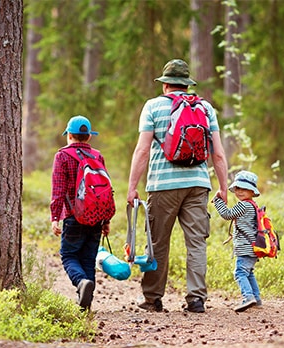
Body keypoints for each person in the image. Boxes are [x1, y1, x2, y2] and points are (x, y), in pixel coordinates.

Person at [125, 59, 231, 313]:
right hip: (198, 184)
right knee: (196, 242)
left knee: (158, 242)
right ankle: (196, 299)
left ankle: (152, 298)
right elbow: (217, 154)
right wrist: (223, 187)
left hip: (163, 185)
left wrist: (132, 187)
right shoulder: (205, 108)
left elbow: (142, 151)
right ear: (186, 84)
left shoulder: (152, 107)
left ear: (165, 86)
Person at [51, 116, 112, 312]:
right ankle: (86, 304)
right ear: (89, 137)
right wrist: (106, 220)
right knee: (88, 258)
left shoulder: (62, 156)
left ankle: (80, 283)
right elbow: (105, 191)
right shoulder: (97, 156)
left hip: (72, 216)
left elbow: (58, 190)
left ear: (69, 135)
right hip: (96, 217)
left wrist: (54, 218)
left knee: (68, 255)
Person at [214, 171, 264, 312]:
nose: (240, 192)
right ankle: (257, 299)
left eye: (244, 189)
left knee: (240, 272)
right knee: (249, 272)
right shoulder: (253, 205)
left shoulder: (244, 205)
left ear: (252, 191)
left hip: (245, 247)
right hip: (253, 247)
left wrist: (218, 201)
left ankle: (248, 297)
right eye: (238, 188)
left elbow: (227, 214)